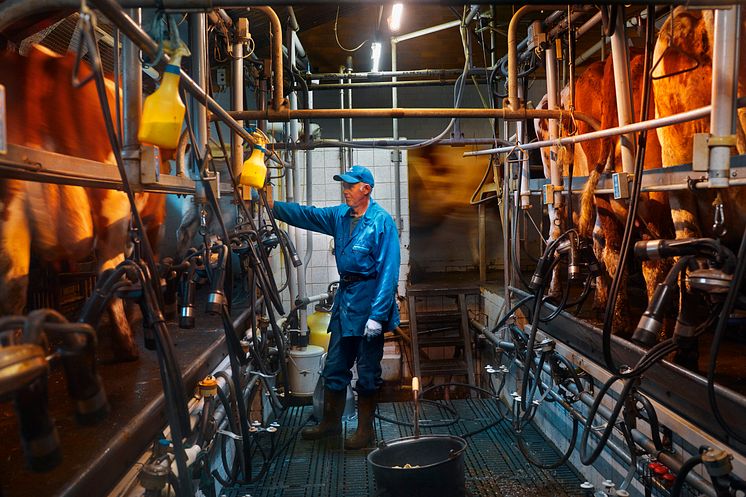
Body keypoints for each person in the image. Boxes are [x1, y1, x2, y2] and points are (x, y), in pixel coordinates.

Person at [267, 165, 400, 449]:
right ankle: (329, 424)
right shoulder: (340, 216)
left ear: (366, 188)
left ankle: (365, 431)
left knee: (367, 372)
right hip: (346, 303)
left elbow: (389, 273)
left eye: (351, 185)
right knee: (335, 367)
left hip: (369, 302)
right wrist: (272, 205)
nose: (346, 190)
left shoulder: (381, 222)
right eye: (344, 185)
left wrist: (377, 317)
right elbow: (308, 215)